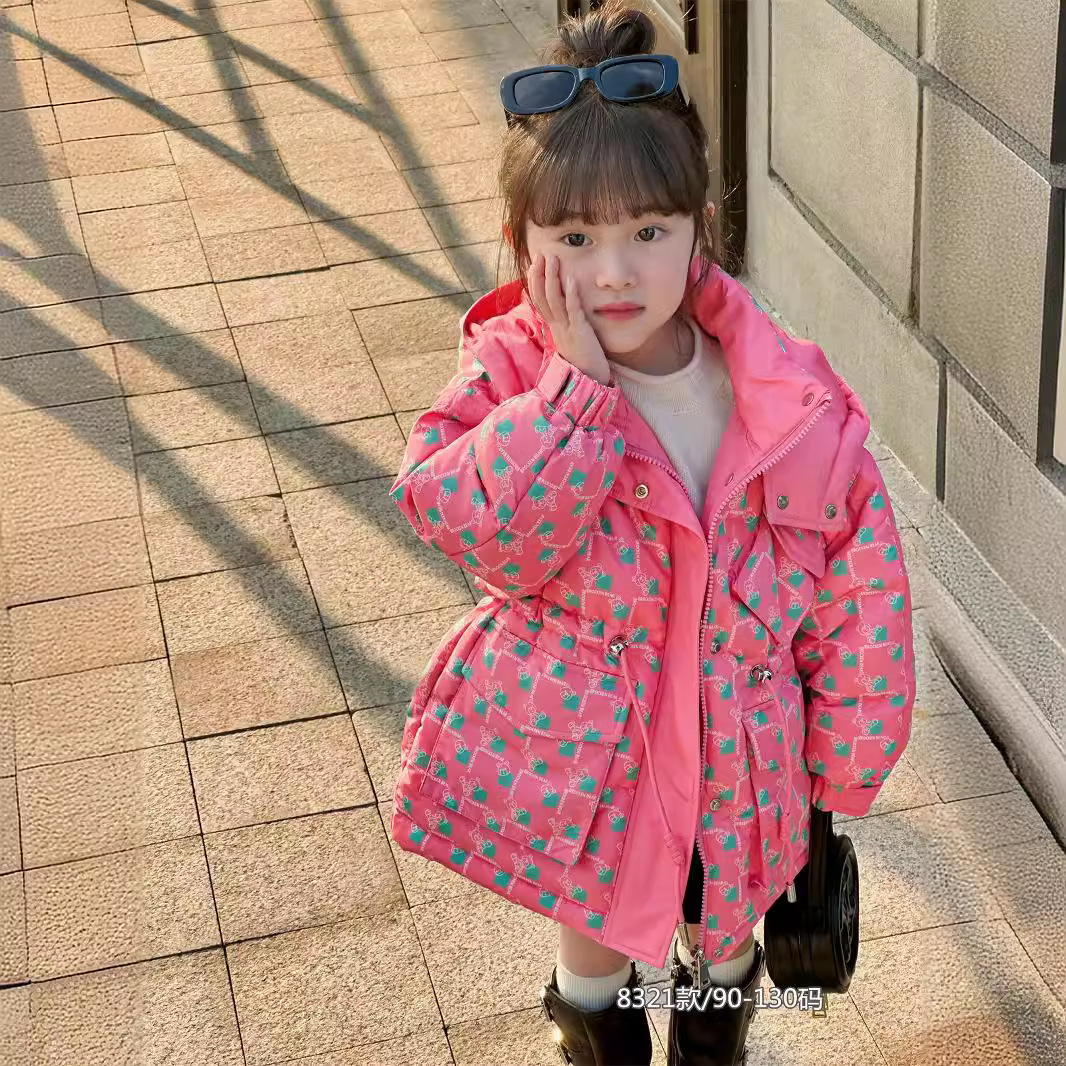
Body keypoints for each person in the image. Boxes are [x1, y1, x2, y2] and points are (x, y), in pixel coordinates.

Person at [386, 3, 915, 1063]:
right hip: (597, 749)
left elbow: (856, 584)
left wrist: (846, 755)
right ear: (524, 246)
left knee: (723, 939)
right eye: (575, 239)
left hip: (740, 746)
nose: (614, 273)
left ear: (698, 229)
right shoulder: (512, 375)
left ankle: (713, 1042)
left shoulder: (783, 397)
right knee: (596, 940)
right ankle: (596, 1038)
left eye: (647, 233)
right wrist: (571, 396)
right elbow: (483, 531)